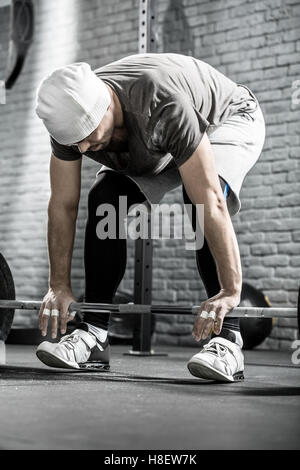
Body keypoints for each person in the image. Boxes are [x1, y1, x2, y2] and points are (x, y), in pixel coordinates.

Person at [34, 53, 265, 382]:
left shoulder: (161, 104)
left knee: (196, 198)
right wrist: (58, 285)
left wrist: (232, 290)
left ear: (106, 105)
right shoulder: (69, 121)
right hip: (154, 137)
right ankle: (95, 333)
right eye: (76, 143)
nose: (83, 149)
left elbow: (210, 201)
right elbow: (62, 204)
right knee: (104, 199)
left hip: (227, 118)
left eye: (88, 137)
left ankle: (228, 339)